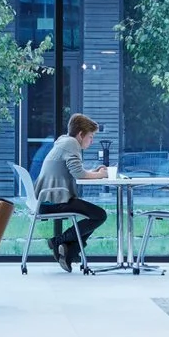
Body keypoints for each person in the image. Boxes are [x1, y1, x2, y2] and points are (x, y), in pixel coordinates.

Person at [35, 113, 108, 271]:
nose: (92, 141)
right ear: (80, 135)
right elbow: (79, 174)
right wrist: (100, 175)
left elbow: (76, 170)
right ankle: (58, 241)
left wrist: (94, 172)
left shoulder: (64, 141)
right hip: (53, 201)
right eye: (90, 136)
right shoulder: (71, 144)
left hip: (48, 199)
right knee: (99, 215)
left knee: (94, 215)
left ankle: (69, 250)